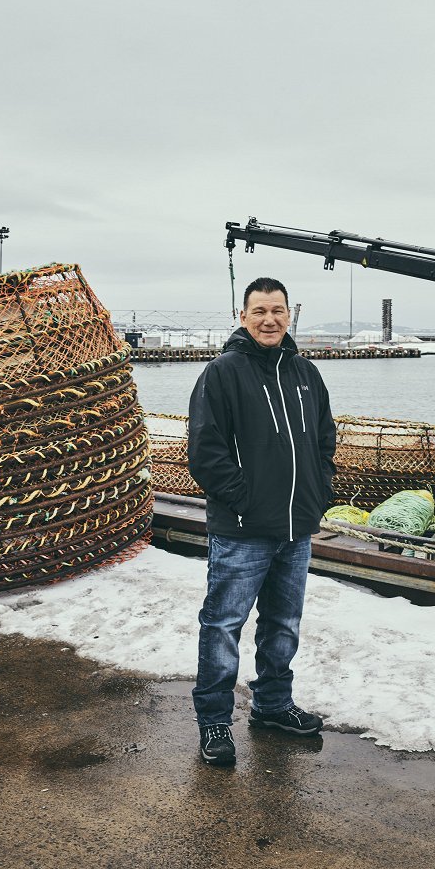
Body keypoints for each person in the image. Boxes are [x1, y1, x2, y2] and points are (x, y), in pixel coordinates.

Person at [188, 276, 336, 766]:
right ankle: (214, 723)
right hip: (242, 530)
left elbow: (324, 440)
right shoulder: (222, 373)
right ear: (243, 316)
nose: (269, 319)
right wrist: (245, 502)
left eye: (278, 310)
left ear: (290, 315)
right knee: (223, 626)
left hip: (296, 528)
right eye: (259, 311)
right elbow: (206, 454)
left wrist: (318, 494)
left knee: (283, 624)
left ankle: (272, 705)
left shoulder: (305, 374)